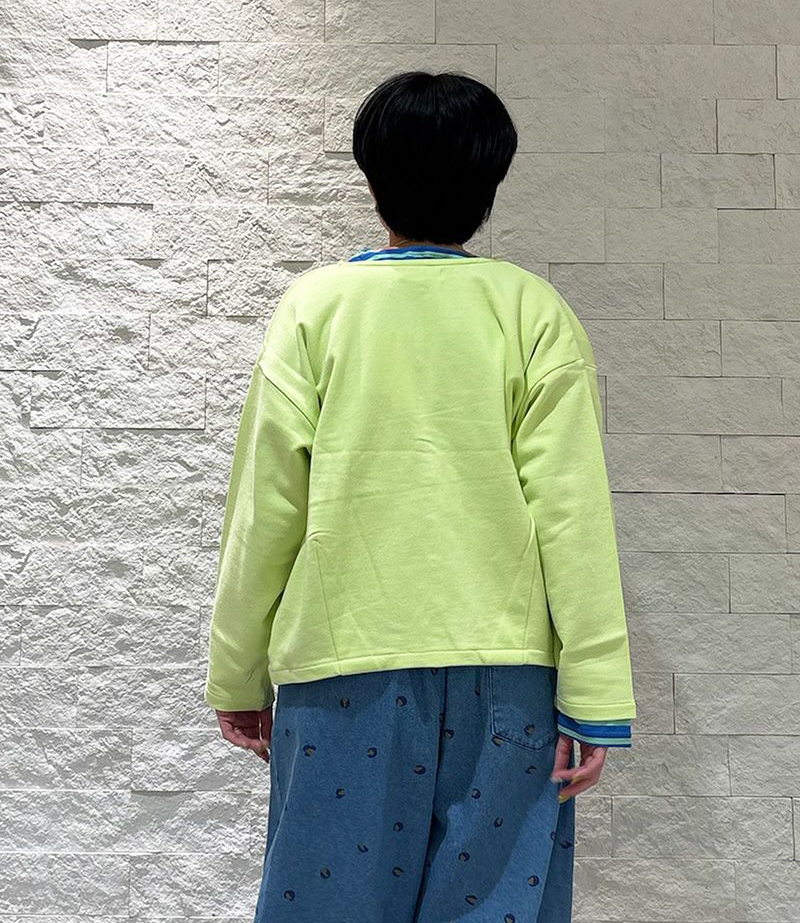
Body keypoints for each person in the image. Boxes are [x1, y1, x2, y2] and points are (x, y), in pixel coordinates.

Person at [203, 70, 637, 923]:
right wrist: (595, 698)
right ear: (490, 184)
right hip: (508, 682)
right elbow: (574, 516)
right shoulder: (532, 312)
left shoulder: (316, 309)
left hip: (341, 673)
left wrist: (237, 669)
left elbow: (265, 511)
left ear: (372, 181)